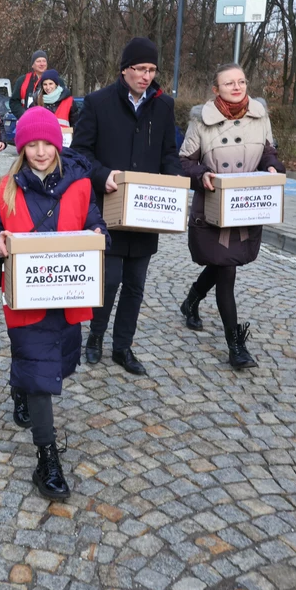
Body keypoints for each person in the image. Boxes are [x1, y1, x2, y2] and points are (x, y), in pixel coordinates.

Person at [0, 106, 109, 500]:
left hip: (67, 295)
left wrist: (98, 235)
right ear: (21, 148)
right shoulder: (3, 189)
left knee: (56, 364)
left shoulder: (81, 185)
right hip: (25, 298)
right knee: (38, 372)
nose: (39, 151)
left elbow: (95, 224)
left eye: (46, 144)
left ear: (57, 144)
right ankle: (47, 457)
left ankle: (20, 385)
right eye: (31, 144)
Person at [71, 37, 182, 376]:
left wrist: (172, 184)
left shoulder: (163, 106)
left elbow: (169, 154)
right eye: (140, 69)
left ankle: (123, 347)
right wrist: (102, 174)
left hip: (147, 211)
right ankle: (95, 337)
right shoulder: (97, 103)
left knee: (136, 283)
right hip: (109, 209)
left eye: (152, 70)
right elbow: (79, 154)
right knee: (109, 279)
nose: (146, 76)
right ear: (125, 69)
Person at [178, 63, 284, 369]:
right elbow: (184, 161)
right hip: (213, 208)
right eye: (228, 83)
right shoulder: (202, 120)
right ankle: (235, 345)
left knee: (223, 264)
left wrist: (273, 166)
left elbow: (268, 152)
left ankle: (192, 300)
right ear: (216, 90)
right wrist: (202, 174)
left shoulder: (260, 116)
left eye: (241, 81)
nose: (236, 87)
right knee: (226, 271)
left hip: (245, 208)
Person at [10, 50, 49, 119]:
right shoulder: (22, 80)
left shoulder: (55, 81)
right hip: (27, 120)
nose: (42, 64)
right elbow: (14, 102)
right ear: (32, 65)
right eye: (38, 61)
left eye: (44, 61)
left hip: (48, 120)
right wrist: (24, 115)